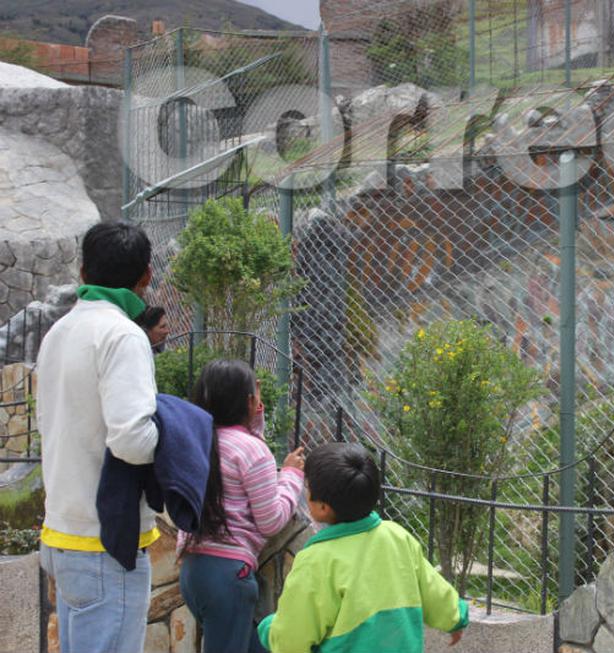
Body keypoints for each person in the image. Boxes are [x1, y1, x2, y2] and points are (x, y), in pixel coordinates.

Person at [37, 221, 160, 653]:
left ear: (83, 272)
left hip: (63, 535)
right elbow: (132, 440)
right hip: (105, 545)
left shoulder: (59, 332)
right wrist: (179, 438)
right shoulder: (123, 335)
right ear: (146, 275)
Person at [257, 443, 469, 653]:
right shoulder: (397, 536)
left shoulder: (316, 560)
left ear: (322, 507)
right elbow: (432, 588)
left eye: (307, 487)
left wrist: (269, 629)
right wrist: (455, 617)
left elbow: (292, 638)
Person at [178, 359, 306, 653]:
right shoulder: (252, 451)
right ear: (248, 401)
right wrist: (291, 475)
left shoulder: (197, 442)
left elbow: (236, 447)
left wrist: (253, 412)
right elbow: (271, 521)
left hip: (194, 572)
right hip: (228, 577)